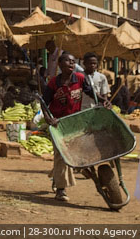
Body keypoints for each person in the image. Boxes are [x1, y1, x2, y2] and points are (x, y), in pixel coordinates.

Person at [42, 52, 97, 201]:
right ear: (60, 64)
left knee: (71, 153)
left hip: (74, 122)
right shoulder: (53, 83)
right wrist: (48, 118)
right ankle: (60, 190)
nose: (72, 64)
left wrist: (104, 101)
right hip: (58, 124)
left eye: (73, 62)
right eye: (68, 61)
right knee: (61, 154)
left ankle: (57, 177)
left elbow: (91, 93)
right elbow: (43, 103)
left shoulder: (79, 79)